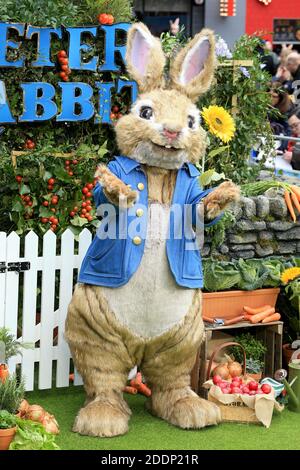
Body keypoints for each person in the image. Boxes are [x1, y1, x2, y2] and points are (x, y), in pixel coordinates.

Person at [269, 81, 294, 149]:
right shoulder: (266, 106)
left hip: (280, 143)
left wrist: (281, 148)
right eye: (268, 95)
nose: (270, 99)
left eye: (274, 96)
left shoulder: (287, 109)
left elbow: (288, 131)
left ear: (281, 98)